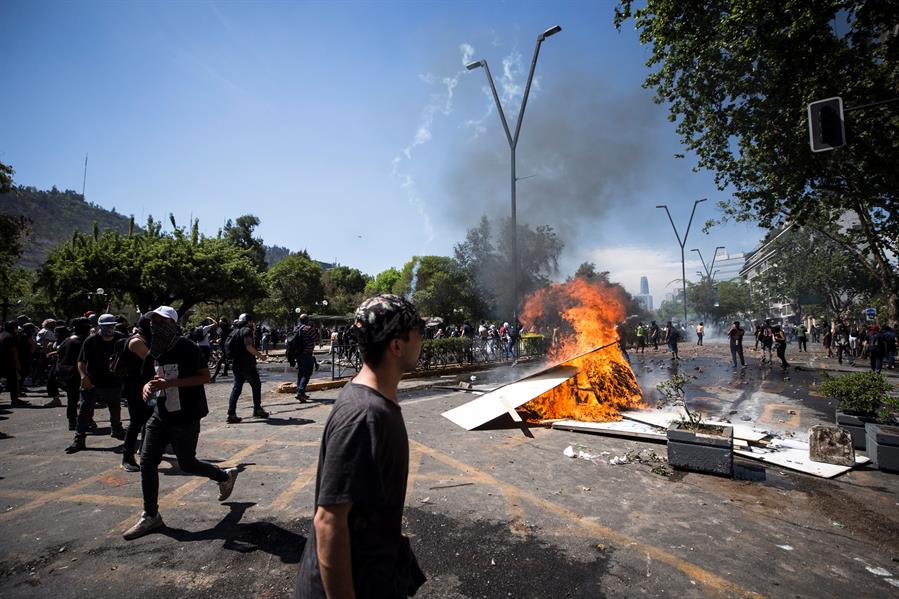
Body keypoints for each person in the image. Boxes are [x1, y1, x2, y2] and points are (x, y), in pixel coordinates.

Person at [294, 294, 426, 599]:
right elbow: (329, 522)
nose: (423, 339)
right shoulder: (364, 415)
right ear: (396, 346)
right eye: (418, 333)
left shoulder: (373, 404)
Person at [122, 306, 238, 540]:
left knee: (187, 463)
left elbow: (205, 377)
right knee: (147, 462)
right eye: (152, 322)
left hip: (186, 416)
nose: (155, 326)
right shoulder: (153, 351)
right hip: (159, 415)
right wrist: (147, 387)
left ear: (172, 325)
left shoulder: (187, 347)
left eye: (161, 322)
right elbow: (148, 379)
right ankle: (151, 515)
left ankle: (224, 476)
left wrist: (171, 384)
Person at [66, 314, 126, 453]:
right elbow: (81, 361)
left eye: (112, 325)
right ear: (99, 326)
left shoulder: (121, 339)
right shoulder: (91, 340)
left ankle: (116, 429)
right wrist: (83, 376)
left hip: (114, 381)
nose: (109, 329)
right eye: (106, 326)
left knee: (115, 408)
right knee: (85, 410)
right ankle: (79, 438)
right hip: (93, 381)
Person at [121, 315, 153, 472]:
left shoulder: (147, 338)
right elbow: (152, 361)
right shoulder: (136, 341)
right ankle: (127, 457)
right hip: (134, 387)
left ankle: (145, 449)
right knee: (136, 422)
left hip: (146, 385)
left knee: (149, 420)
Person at [226, 313, 268, 423]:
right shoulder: (246, 330)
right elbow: (248, 346)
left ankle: (231, 413)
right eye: (252, 321)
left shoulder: (234, 331)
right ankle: (257, 409)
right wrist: (260, 356)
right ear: (249, 321)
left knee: (237, 388)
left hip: (236, 364)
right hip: (247, 364)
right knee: (256, 385)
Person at [55, 318, 91, 431]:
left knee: (72, 399)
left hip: (65, 373)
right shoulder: (84, 341)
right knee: (86, 399)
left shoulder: (67, 340)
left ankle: (72, 421)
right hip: (78, 374)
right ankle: (85, 421)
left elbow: (59, 354)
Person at [292, 314, 318, 403]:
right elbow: (315, 338)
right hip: (307, 354)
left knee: (301, 373)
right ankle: (300, 393)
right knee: (307, 373)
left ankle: (300, 393)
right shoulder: (308, 328)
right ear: (307, 320)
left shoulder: (296, 328)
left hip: (298, 354)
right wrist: (313, 328)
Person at [0, 322, 26, 407]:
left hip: (2, 362)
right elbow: (14, 351)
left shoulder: (1, 334)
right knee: (13, 382)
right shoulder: (11, 336)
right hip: (9, 363)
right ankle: (15, 400)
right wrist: (18, 364)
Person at [210, 317, 232, 382]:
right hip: (224, 349)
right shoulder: (220, 330)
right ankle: (225, 372)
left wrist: (218, 340)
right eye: (220, 323)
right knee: (226, 361)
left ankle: (213, 377)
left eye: (222, 322)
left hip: (229, 349)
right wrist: (215, 340)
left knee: (219, 363)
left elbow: (226, 338)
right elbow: (219, 338)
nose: (220, 324)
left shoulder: (229, 330)